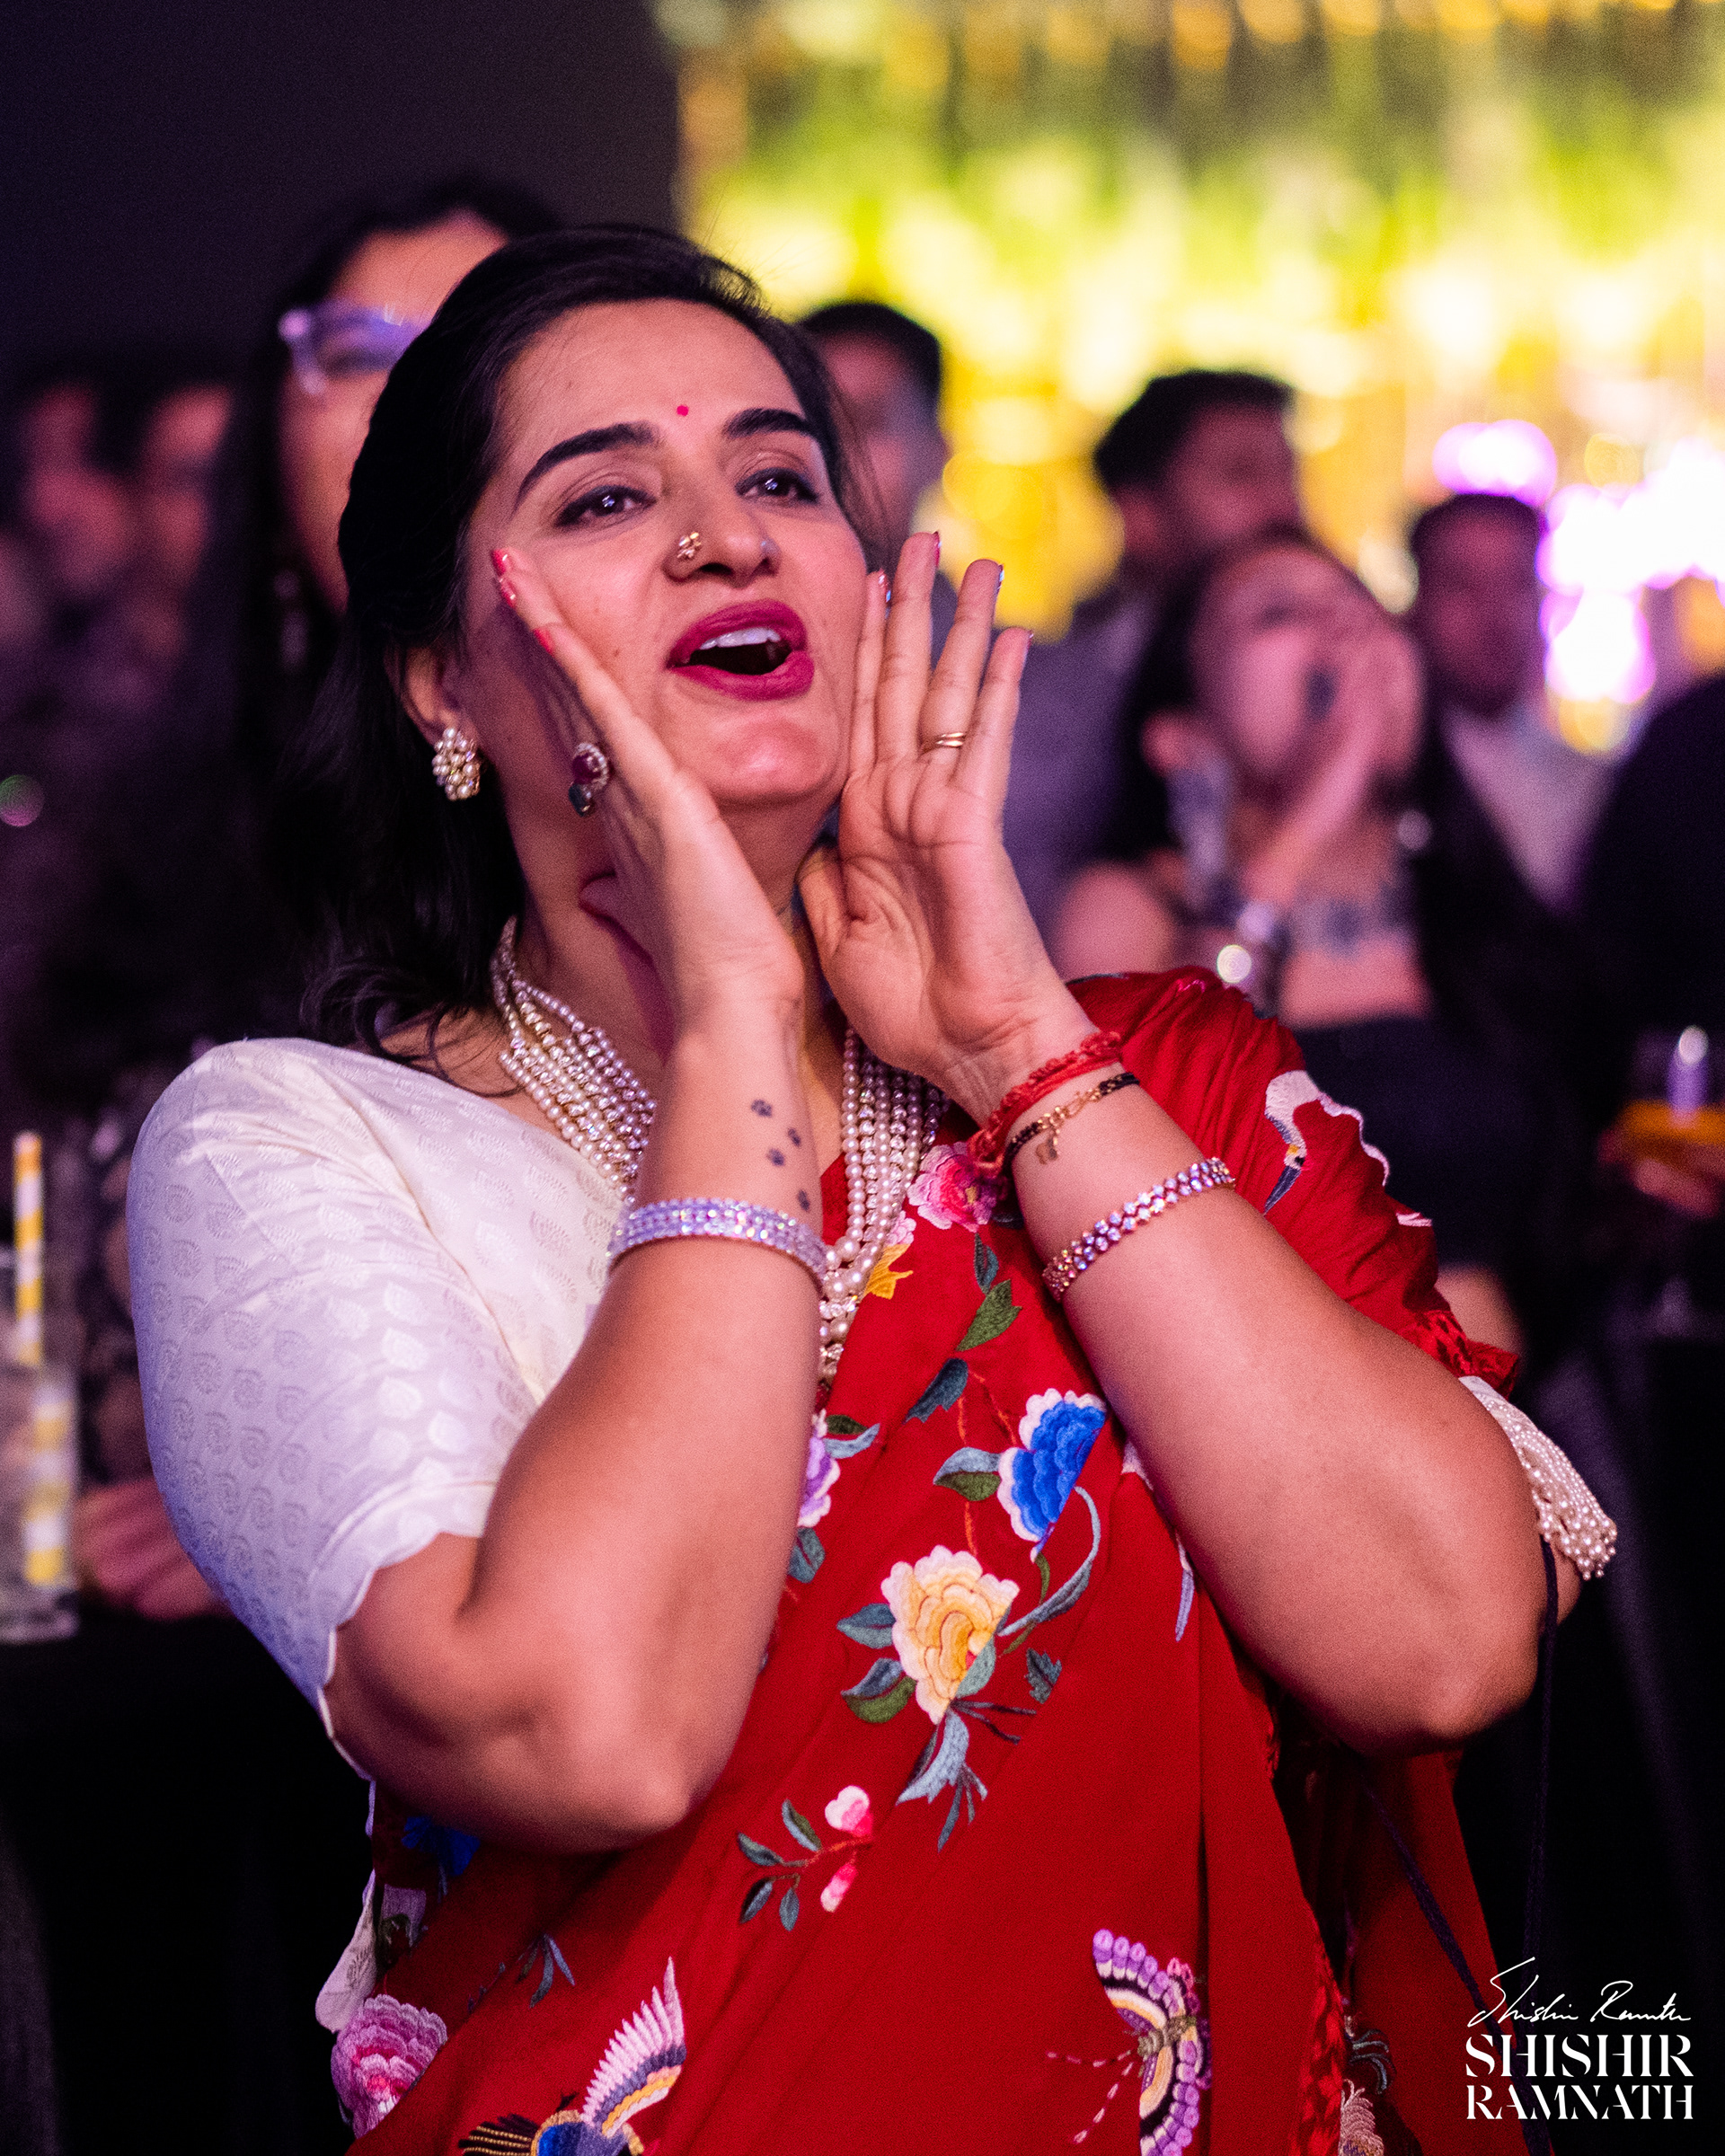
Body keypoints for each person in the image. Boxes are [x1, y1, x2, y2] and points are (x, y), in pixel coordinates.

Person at [128, 230, 1609, 2153]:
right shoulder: (303, 1151)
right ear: (438, 683)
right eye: (604, 496)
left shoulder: (1156, 1080)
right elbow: (588, 1728)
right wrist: (736, 1017)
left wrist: (1010, 1045)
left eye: (778, 478)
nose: (726, 539)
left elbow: (1440, 1643)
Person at [1054, 526, 1563, 1356]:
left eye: (1359, 607)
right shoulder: (1133, 907)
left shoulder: (1479, 910)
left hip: (1523, 1422)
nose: (1345, 635)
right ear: (1182, 735)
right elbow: (1129, 1152)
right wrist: (1303, 829)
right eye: (1281, 613)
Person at [1004, 369, 1301, 934]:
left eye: (1288, 473)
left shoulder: (1325, 675)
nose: (1282, 505)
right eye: (1242, 475)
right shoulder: (1052, 702)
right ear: (1140, 513)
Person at [1407, 491, 1611, 917]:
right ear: (1417, 607)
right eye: (1463, 585)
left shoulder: (1594, 786)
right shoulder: (1387, 784)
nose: (1493, 614)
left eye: (1514, 582)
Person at [801, 298, 952, 644]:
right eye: (812, 426)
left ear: (936, 452)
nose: (831, 453)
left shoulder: (1033, 683)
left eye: (868, 422)